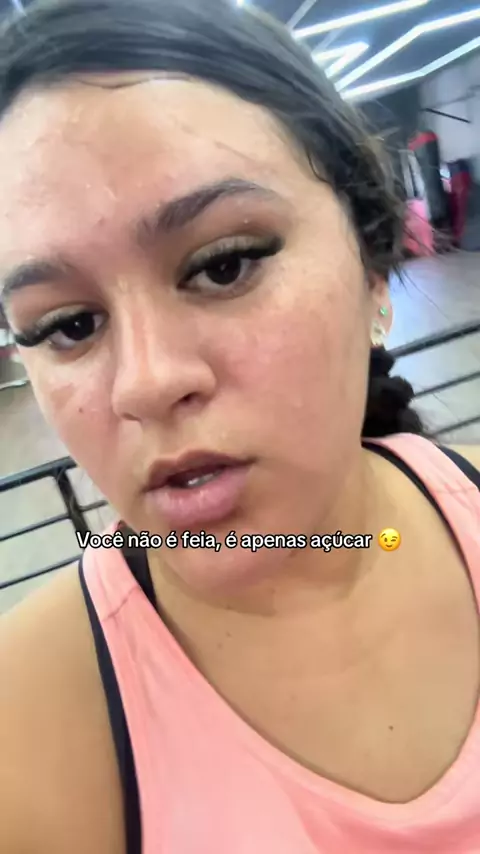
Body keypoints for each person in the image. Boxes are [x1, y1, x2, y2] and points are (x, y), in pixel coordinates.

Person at [0, 1, 479, 852]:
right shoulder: (27, 732)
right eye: (69, 325)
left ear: (372, 267)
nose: (148, 383)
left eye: (223, 266)